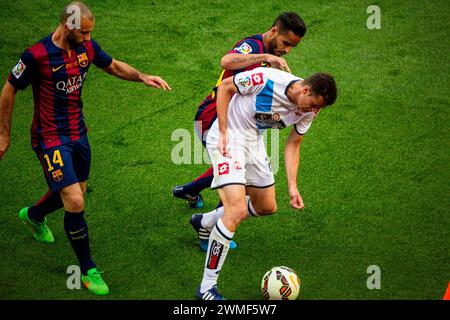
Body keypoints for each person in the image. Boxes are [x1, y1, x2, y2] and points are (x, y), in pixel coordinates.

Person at [0, 1, 171, 296]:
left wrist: (142, 76)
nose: (90, 39)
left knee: (73, 191)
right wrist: (4, 135)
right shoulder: (36, 56)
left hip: (79, 134)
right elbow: (9, 89)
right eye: (85, 33)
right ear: (68, 26)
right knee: (76, 201)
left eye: (92, 33)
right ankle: (87, 269)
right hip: (50, 138)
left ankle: (34, 215)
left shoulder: (85, 49)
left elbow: (113, 65)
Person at [192, 67, 337, 299]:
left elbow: (293, 145)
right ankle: (206, 287)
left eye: (319, 108)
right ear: (306, 89)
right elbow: (226, 87)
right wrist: (223, 131)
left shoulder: (308, 110)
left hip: (253, 142)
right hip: (228, 137)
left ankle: (205, 222)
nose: (314, 111)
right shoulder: (267, 79)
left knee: (266, 206)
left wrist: (292, 186)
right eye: (313, 104)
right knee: (236, 210)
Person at [172, 12, 307, 209]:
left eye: (292, 47)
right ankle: (214, 225)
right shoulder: (253, 46)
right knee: (236, 172)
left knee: (236, 169)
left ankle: (193, 194)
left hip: (239, 122)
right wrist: (266, 56)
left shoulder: (274, 59)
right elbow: (226, 61)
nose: (287, 50)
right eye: (285, 43)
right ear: (274, 31)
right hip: (213, 117)